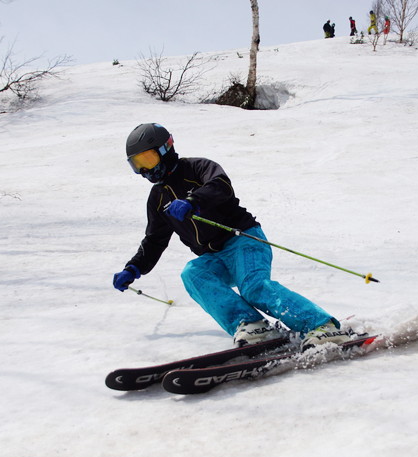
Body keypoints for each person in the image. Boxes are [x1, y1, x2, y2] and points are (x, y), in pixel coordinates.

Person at [113, 123, 355, 349]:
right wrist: (133, 268)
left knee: (253, 287)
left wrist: (193, 201)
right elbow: (154, 240)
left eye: (148, 158)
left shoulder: (196, 168)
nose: (145, 169)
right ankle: (253, 326)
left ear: (166, 149)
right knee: (194, 274)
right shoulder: (158, 199)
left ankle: (321, 326)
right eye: (137, 164)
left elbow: (221, 185)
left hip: (244, 240)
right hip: (214, 256)